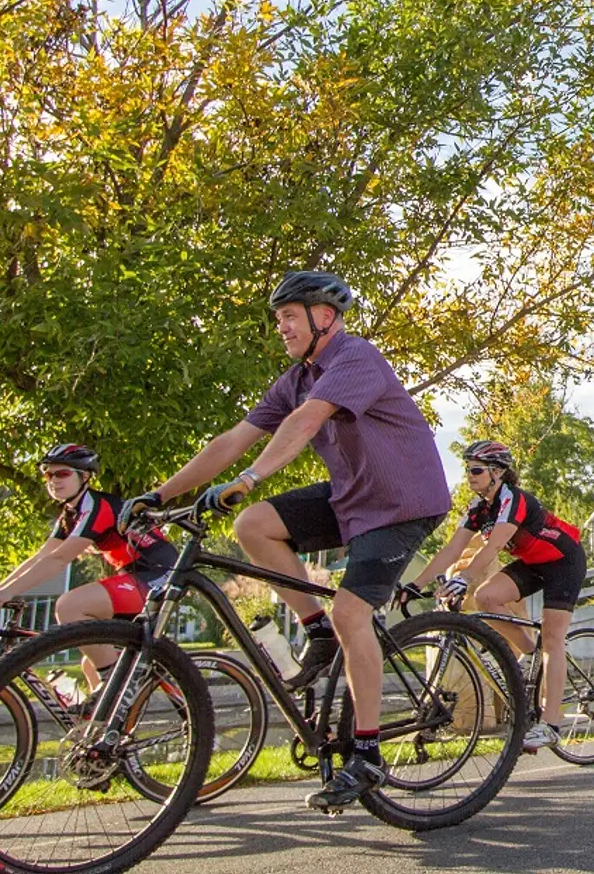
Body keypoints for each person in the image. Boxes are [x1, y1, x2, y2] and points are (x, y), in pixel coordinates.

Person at [123, 271, 452, 813]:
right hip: (352, 496)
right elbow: (232, 439)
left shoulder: (355, 358)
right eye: (277, 319)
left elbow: (307, 421)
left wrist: (250, 478)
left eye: (290, 316)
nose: (281, 327)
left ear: (326, 317)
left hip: (403, 502)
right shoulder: (295, 378)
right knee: (253, 525)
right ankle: (315, 630)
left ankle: (367, 756)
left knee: (353, 614)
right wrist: (160, 494)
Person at [404, 441, 586, 754]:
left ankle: (551, 725)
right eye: (467, 470)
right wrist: (414, 585)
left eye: (476, 470)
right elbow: (452, 550)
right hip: (533, 563)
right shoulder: (478, 509)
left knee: (553, 639)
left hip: (563, 561)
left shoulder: (512, 499)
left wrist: (463, 578)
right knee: (486, 597)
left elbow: (493, 548)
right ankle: (531, 654)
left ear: (497, 472)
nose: (469, 476)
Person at [0, 444, 177, 702]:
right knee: (89, 665)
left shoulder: (98, 506)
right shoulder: (72, 513)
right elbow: (41, 557)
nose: (53, 480)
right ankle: (108, 728)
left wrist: (8, 592)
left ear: (84, 477)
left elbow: (59, 559)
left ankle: (116, 686)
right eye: (49, 474)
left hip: (157, 575)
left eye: (63, 474)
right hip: (135, 575)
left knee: (70, 606)